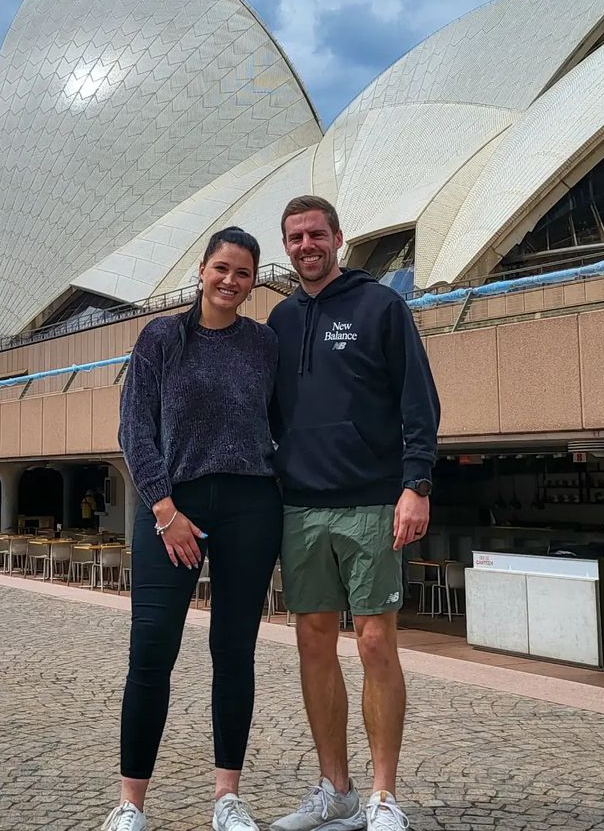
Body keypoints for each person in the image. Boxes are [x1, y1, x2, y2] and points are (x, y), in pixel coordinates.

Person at [101, 227, 283, 831]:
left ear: (253, 282)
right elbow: (135, 429)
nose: (231, 282)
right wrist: (164, 510)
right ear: (201, 270)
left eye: (243, 273)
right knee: (151, 650)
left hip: (250, 506)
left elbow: (284, 423)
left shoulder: (265, 344)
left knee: (234, 651)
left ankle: (227, 797)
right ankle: (131, 804)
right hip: (171, 509)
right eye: (221, 269)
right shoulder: (160, 337)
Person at [269, 196, 440, 831]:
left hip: (372, 499)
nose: (306, 246)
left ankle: (382, 796)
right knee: (313, 644)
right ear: (286, 245)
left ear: (338, 239)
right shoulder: (280, 322)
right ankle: (334, 789)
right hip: (302, 506)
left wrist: (415, 483)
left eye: (316, 234)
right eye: (295, 237)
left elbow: (418, 398)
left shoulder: (381, 307)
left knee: (374, 643)